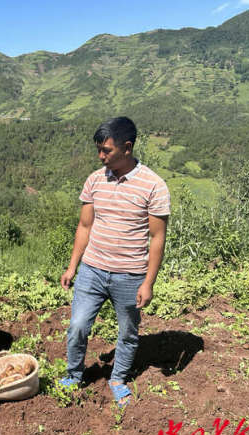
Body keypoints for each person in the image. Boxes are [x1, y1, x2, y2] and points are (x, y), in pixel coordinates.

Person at [59, 117, 170, 408]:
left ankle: (118, 379)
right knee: (78, 326)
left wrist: (148, 282)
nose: (100, 156)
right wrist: (73, 266)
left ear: (128, 147)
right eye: (99, 149)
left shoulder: (153, 186)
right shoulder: (95, 180)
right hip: (92, 270)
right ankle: (73, 374)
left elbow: (157, 238)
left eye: (106, 150)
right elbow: (84, 226)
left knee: (128, 333)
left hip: (130, 275)